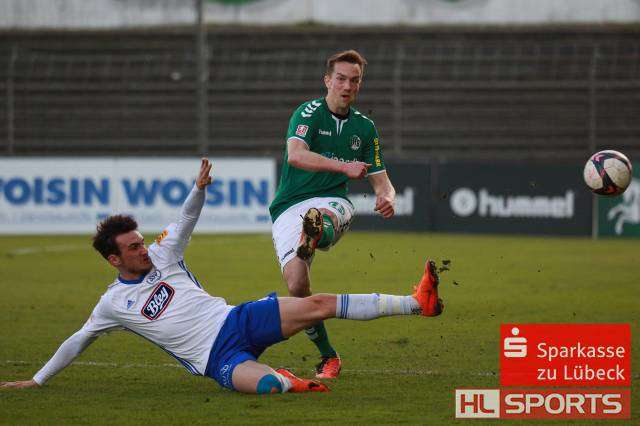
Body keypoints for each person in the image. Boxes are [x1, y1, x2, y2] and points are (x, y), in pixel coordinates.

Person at [1, 159, 442, 395]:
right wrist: (37, 380)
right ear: (115, 260)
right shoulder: (113, 304)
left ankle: (415, 303)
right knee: (268, 386)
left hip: (237, 319)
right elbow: (79, 339)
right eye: (133, 248)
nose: (143, 248)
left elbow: (185, 219)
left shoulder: (163, 253)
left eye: (141, 241)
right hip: (217, 360)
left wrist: (198, 190)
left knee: (317, 304)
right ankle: (286, 378)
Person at [269, 49, 396, 379]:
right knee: (297, 285)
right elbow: (296, 155)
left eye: (354, 80)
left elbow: (382, 181)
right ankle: (329, 356)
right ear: (327, 81)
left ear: (359, 85)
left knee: (323, 214)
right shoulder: (308, 113)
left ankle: (315, 232)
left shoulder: (365, 128)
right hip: (289, 206)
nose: (347, 86)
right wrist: (343, 166)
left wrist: (387, 197)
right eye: (340, 79)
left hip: (333, 201)